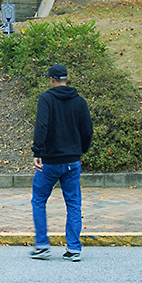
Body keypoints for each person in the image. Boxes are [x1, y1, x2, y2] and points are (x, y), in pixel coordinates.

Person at [30, 64, 93, 262]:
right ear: (66, 79)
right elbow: (88, 130)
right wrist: (81, 150)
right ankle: (74, 248)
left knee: (39, 200)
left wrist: (38, 151)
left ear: (51, 79)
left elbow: (42, 125)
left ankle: (42, 245)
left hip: (50, 161)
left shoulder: (46, 99)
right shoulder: (80, 102)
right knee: (73, 204)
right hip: (72, 161)